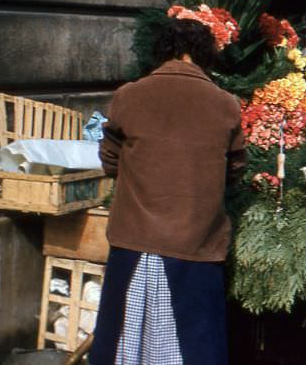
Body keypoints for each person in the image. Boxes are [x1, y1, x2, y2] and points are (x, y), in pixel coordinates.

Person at [91, 18, 247, 364]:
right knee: (194, 346)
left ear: (162, 50)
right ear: (205, 53)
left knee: (123, 345)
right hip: (194, 243)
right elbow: (235, 169)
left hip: (134, 239)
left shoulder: (129, 95)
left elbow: (110, 161)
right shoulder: (225, 103)